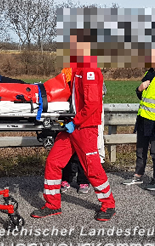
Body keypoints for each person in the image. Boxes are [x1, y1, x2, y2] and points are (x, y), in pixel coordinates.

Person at [31, 29, 116, 221]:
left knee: (92, 168)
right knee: (54, 162)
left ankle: (108, 204)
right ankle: (52, 204)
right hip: (72, 126)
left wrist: (75, 122)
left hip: (84, 128)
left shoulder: (89, 71)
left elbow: (92, 105)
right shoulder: (76, 69)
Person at [122, 48, 155, 191]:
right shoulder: (149, 74)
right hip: (143, 119)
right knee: (140, 150)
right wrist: (139, 89)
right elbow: (142, 96)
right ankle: (138, 175)